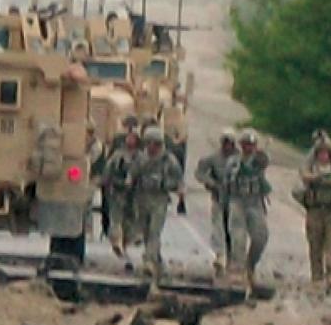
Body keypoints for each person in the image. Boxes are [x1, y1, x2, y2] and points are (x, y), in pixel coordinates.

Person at [293, 128, 331, 289]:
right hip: (314, 210)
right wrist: (316, 178)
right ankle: (317, 275)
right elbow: (302, 179)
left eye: (326, 152)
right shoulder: (310, 165)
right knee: (314, 244)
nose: (323, 155)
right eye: (320, 152)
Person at [130, 121, 184, 278]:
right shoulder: (141, 159)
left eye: (156, 144)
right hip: (142, 197)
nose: (153, 147)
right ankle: (156, 260)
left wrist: (170, 186)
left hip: (159, 199)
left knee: (155, 231)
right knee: (146, 232)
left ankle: (148, 260)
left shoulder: (169, 160)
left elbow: (178, 180)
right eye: (150, 143)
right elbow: (132, 175)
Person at [226, 128, 272, 292]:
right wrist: (243, 167)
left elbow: (264, 162)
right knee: (238, 238)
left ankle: (250, 265)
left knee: (261, 237)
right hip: (238, 202)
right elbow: (231, 175)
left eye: (251, 144)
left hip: (255, 202)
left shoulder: (259, 159)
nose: (249, 148)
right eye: (246, 144)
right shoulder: (234, 161)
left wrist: (260, 158)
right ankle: (238, 272)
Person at [195, 130, 239, 271]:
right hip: (219, 197)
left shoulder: (240, 159)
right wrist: (210, 182)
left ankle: (233, 258)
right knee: (218, 227)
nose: (227, 146)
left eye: (230, 143)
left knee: (233, 229)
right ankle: (220, 255)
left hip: (235, 199)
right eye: (225, 142)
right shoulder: (213, 158)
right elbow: (199, 172)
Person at [98, 114, 142, 254]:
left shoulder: (141, 157)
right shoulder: (118, 154)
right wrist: (106, 183)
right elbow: (108, 169)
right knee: (115, 218)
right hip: (117, 190)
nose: (130, 138)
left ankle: (127, 241)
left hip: (134, 192)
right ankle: (116, 241)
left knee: (130, 218)